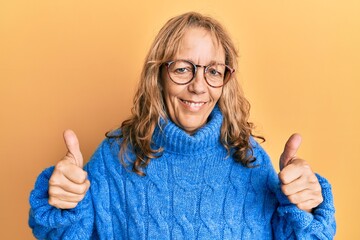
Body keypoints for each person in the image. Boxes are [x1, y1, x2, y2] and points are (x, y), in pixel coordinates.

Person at [29, 12, 336, 239]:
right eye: (182, 69)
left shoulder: (251, 160)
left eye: (213, 71)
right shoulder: (114, 157)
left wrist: (304, 207)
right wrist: (64, 204)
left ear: (225, 80)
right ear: (158, 74)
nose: (199, 87)